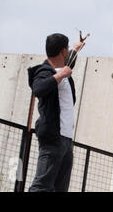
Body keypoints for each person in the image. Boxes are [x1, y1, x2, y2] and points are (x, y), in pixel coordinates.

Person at [27, 33, 85, 192]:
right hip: (53, 137)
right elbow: (38, 88)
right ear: (62, 51)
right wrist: (60, 75)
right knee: (41, 186)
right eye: (67, 49)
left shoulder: (64, 68)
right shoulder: (44, 71)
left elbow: (68, 64)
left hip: (66, 140)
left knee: (60, 188)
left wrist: (76, 48)